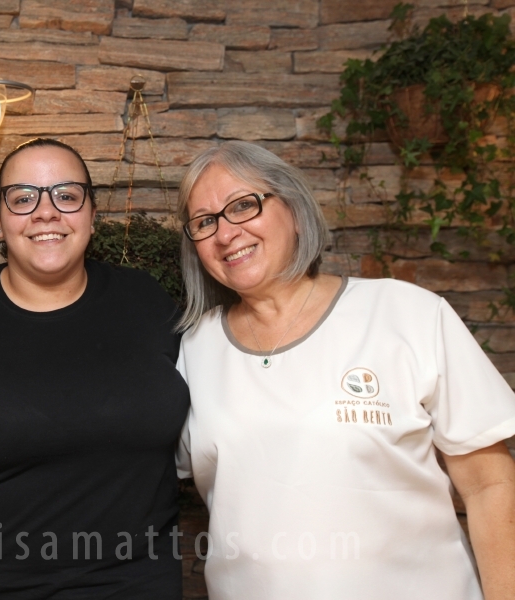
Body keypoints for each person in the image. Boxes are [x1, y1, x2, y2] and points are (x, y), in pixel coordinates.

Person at [174, 140, 515, 600]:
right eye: (204, 221)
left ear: (293, 210)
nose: (225, 232)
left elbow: (490, 484)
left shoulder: (406, 313)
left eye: (243, 205)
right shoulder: (195, 347)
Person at [0, 138, 190, 599]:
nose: (46, 212)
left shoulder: (149, 304)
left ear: (93, 214)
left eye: (67, 195)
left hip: (134, 586)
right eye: (23, 197)